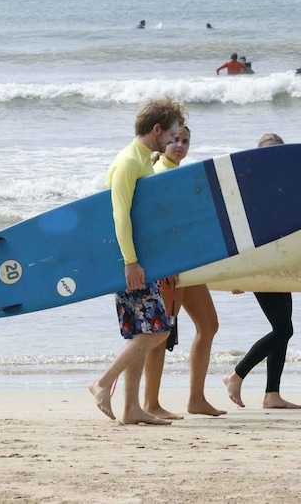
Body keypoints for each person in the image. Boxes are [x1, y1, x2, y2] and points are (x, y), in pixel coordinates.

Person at [89, 97, 186, 425]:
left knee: (142, 331)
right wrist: (131, 262)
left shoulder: (146, 160)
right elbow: (120, 215)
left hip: (140, 260)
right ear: (156, 129)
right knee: (158, 330)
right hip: (128, 261)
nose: (174, 139)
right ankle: (102, 383)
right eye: (171, 133)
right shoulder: (130, 161)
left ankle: (131, 408)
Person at [142, 124, 228, 419]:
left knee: (209, 325)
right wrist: (168, 263)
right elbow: (157, 225)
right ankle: (150, 403)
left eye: (186, 141)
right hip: (170, 267)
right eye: (175, 140)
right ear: (163, 140)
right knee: (159, 333)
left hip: (186, 265)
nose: (179, 145)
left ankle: (196, 399)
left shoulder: (180, 173)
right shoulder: (159, 173)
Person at [223, 132, 301, 410]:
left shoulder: (285, 186)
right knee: (283, 329)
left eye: (279, 152)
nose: (274, 157)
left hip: (280, 262)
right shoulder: (251, 188)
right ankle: (237, 374)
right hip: (260, 264)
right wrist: (240, 273)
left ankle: (272, 394)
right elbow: (240, 234)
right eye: (268, 152)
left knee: (282, 328)